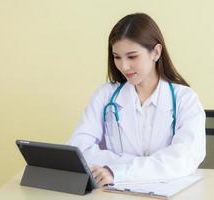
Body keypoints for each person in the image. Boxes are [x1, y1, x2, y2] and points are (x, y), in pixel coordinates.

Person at [68, 13, 206, 188]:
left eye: (132, 56)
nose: (124, 66)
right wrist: (151, 165)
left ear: (156, 52)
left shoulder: (185, 99)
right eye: (117, 57)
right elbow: (79, 150)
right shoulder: (104, 96)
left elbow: (184, 158)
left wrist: (117, 170)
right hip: (112, 193)